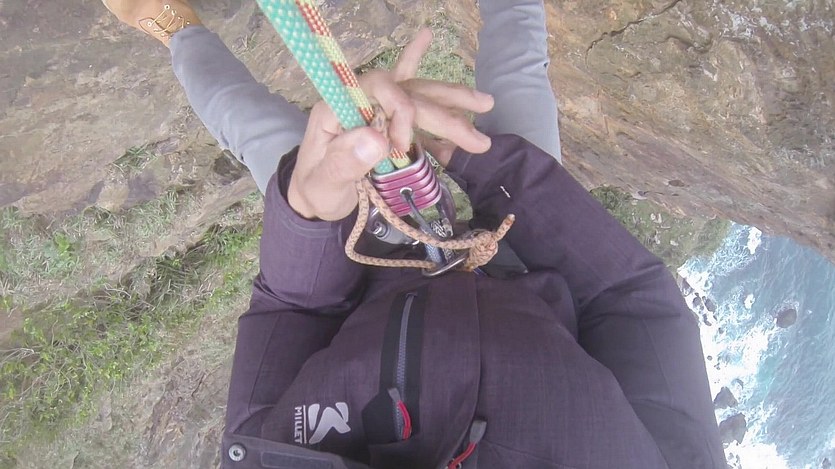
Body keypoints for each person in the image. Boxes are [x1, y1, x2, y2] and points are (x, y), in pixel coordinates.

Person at [102, 1, 727, 468]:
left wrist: (311, 214)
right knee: (512, 76)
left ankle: (177, 27)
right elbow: (631, 302)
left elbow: (291, 311)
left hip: (365, 277)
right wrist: (487, 166)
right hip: (524, 265)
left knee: (264, 134)